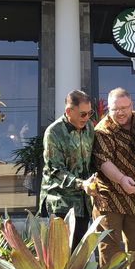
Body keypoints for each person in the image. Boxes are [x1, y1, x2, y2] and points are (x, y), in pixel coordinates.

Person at [91, 88, 135, 269]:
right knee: (110, 250)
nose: (121, 112)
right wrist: (122, 179)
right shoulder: (102, 129)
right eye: (116, 109)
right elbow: (104, 162)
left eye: (125, 108)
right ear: (109, 108)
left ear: (132, 106)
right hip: (109, 197)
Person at [39, 89, 97, 248]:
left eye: (89, 113)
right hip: (60, 203)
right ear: (68, 111)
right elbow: (55, 170)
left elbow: (93, 160)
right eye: (83, 114)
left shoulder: (89, 128)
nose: (87, 118)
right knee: (61, 256)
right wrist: (81, 184)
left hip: (83, 203)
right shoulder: (54, 132)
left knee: (78, 256)